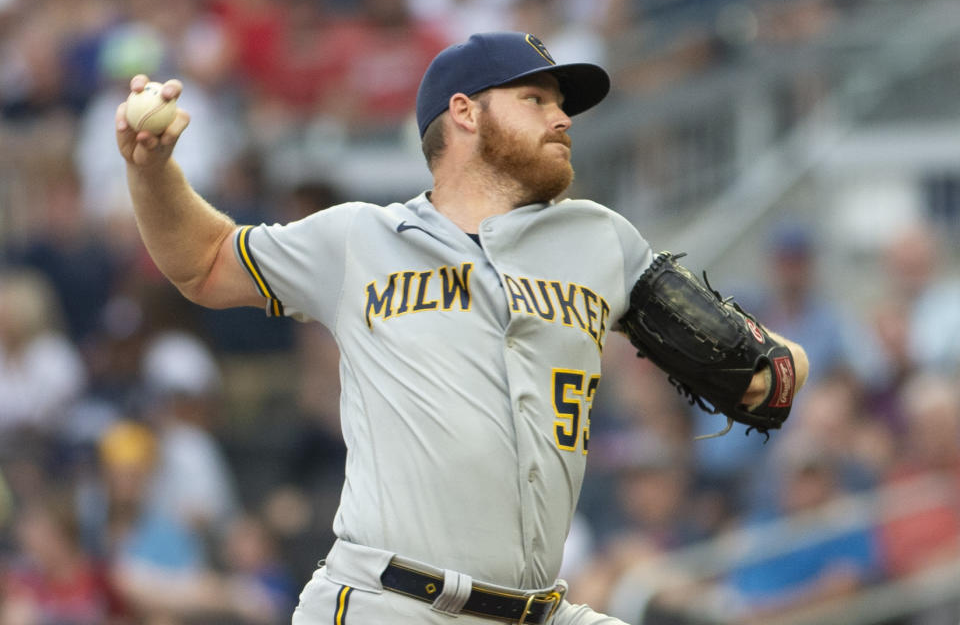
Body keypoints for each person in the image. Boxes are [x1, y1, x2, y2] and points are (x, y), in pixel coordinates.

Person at [115, 31, 808, 625]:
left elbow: (766, 380)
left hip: (539, 606)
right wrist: (151, 171)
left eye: (562, 105)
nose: (562, 118)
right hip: (390, 602)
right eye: (537, 100)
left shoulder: (602, 241)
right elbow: (204, 262)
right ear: (465, 113)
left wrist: (772, 367)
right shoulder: (361, 237)